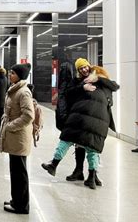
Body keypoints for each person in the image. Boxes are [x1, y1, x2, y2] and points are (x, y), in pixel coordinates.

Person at [41, 58, 120, 189]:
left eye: (85, 67)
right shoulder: (78, 81)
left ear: (90, 66)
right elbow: (69, 93)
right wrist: (82, 87)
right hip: (90, 119)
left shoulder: (100, 79)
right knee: (89, 147)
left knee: (75, 142)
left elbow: (115, 85)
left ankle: (88, 175)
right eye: (81, 68)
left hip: (85, 118)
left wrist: (97, 79)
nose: (84, 70)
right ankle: (86, 175)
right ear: (77, 71)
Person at [0, 63, 34, 214]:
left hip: (18, 137)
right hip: (15, 137)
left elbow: (29, 116)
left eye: (12, 73)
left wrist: (10, 126)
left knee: (19, 173)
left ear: (19, 76)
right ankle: (16, 200)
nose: (9, 75)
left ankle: (21, 206)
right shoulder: (16, 90)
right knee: (16, 171)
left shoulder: (23, 92)